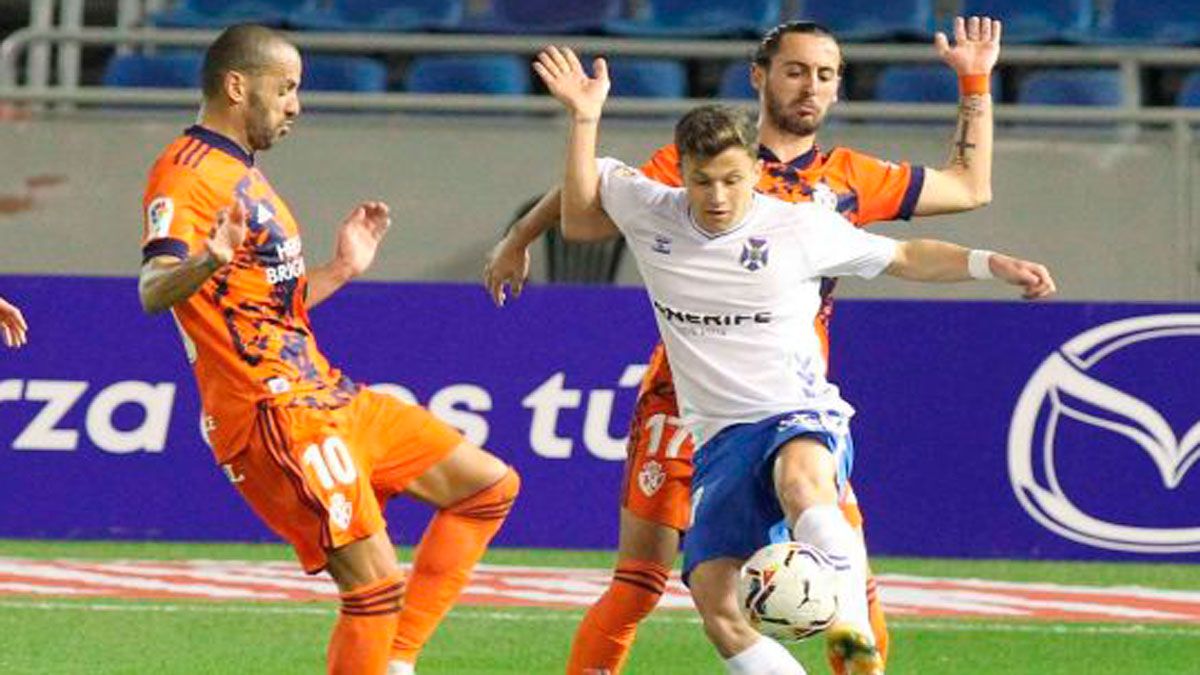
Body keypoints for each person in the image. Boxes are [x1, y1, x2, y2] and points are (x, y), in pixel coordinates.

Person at [487, 16, 1002, 674]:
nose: (809, 87)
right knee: (638, 583)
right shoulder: (703, 160)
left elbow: (969, 186)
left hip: (791, 405)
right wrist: (520, 236)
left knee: (851, 591)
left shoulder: (849, 179)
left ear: (839, 89)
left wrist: (974, 82)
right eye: (795, 71)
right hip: (684, 399)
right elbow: (594, 196)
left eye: (824, 75)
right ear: (760, 77)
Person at [137, 24, 520, 675]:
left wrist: (341, 268)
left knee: (488, 487)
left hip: (327, 392)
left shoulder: (246, 176)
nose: (295, 105)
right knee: (372, 588)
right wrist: (206, 259)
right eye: (285, 89)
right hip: (272, 411)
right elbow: (153, 288)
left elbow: (262, 308)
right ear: (237, 86)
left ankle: (393, 661)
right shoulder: (188, 174)